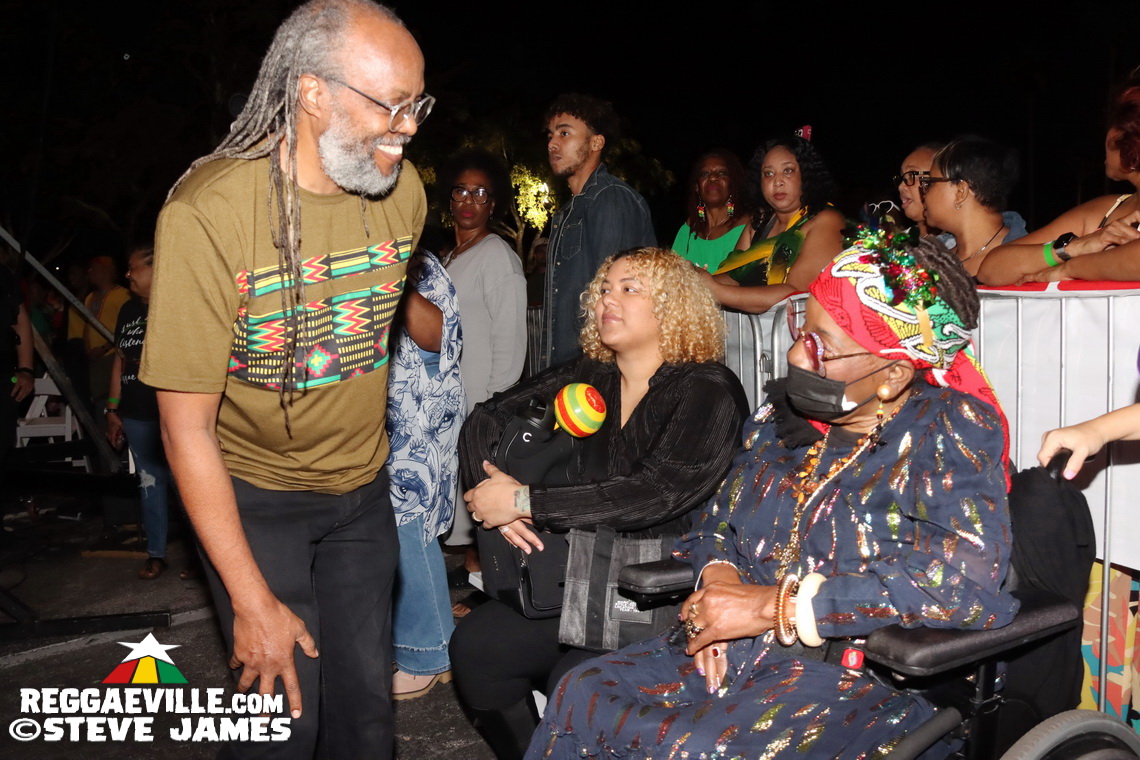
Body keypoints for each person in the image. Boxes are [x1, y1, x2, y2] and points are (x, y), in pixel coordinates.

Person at [527, 235, 1020, 759]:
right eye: (802, 331)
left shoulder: (945, 433)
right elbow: (714, 524)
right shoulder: (778, 423)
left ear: (893, 374)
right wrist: (719, 589)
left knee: (697, 747)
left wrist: (771, 606)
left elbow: (963, 586)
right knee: (583, 691)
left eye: (822, 347)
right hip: (737, 653)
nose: (795, 354)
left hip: (856, 676)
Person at [138, 1, 436, 756]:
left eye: (418, 104)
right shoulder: (209, 213)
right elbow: (183, 428)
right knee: (279, 727)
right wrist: (250, 599)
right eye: (391, 105)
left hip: (363, 496)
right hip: (255, 500)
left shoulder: (403, 193)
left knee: (366, 723)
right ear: (312, 94)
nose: (408, 127)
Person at [451, 247, 749, 760]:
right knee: (477, 649)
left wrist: (524, 500)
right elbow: (486, 418)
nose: (608, 299)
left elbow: (654, 491)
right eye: (605, 288)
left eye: (630, 289)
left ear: (674, 306)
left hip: (664, 595)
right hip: (587, 578)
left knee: (577, 684)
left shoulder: (707, 388)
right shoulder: (594, 374)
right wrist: (490, 491)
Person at [438, 149, 528, 615]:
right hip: (448, 399)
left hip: (482, 401)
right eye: (461, 191)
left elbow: (510, 341)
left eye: (480, 193)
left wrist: (493, 409)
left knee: (482, 494)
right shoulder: (449, 256)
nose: (469, 200)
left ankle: (489, 588)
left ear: (492, 204)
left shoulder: (497, 257)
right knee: (463, 496)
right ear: (449, 199)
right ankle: (472, 567)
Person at [386, 249, 466, 699]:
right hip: (387, 417)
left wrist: (389, 274)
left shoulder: (419, 266)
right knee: (397, 530)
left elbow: (440, 337)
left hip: (416, 418)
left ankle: (429, 653)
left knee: (409, 527)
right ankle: (422, 643)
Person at [980, 78, 1140, 286]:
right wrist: (1072, 248)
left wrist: (1072, 267)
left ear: (1123, 137)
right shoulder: (1105, 210)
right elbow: (991, 269)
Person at [540, 94, 655, 369]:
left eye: (564, 133)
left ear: (596, 143)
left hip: (598, 373)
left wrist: (603, 377)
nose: (552, 143)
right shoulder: (569, 211)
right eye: (550, 135)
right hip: (569, 372)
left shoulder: (610, 199)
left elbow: (617, 302)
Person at [703, 135, 844, 314]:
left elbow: (794, 293)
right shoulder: (760, 221)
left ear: (806, 175)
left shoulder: (826, 220)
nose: (777, 182)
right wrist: (690, 281)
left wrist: (715, 291)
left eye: (788, 171)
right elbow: (733, 277)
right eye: (768, 174)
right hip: (748, 331)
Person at [105, 246, 173, 580]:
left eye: (133, 268)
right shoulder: (127, 310)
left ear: (155, 267)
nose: (127, 274)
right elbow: (120, 361)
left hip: (173, 411)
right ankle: (156, 553)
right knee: (149, 483)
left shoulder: (177, 303)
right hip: (135, 412)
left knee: (189, 484)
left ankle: (203, 560)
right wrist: (112, 409)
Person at [918, 137, 1027, 279]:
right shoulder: (932, 258)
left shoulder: (1027, 263)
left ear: (960, 191)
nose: (923, 192)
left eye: (930, 183)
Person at [670, 149, 751, 272]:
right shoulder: (689, 228)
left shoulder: (747, 226)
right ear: (697, 187)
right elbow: (670, 276)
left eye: (722, 173)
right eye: (705, 174)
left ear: (732, 184)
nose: (713, 177)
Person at [83, 256, 130, 413]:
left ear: (106, 271)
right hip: (95, 360)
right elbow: (87, 326)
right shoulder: (89, 297)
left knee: (113, 398)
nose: (89, 272)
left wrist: (104, 348)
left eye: (94, 268)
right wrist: (88, 349)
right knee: (98, 400)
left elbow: (125, 328)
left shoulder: (122, 295)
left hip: (113, 356)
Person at [896, 142, 945, 236]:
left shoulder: (962, 243)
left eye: (912, 175)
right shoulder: (896, 242)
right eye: (903, 178)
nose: (901, 186)